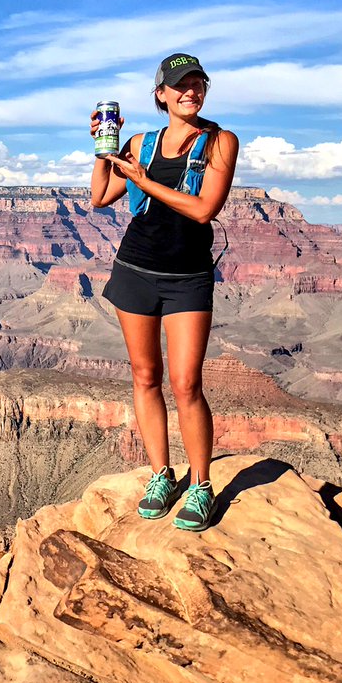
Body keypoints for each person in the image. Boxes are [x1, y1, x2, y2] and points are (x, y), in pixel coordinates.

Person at [89, 53, 239, 531]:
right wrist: (103, 154)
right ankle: (161, 474)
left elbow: (203, 210)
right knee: (144, 375)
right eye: (180, 85)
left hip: (187, 278)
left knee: (187, 384)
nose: (190, 91)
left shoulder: (220, 142)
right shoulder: (140, 143)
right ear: (161, 94)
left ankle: (201, 485)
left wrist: (145, 181)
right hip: (135, 268)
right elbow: (100, 197)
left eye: (198, 83)